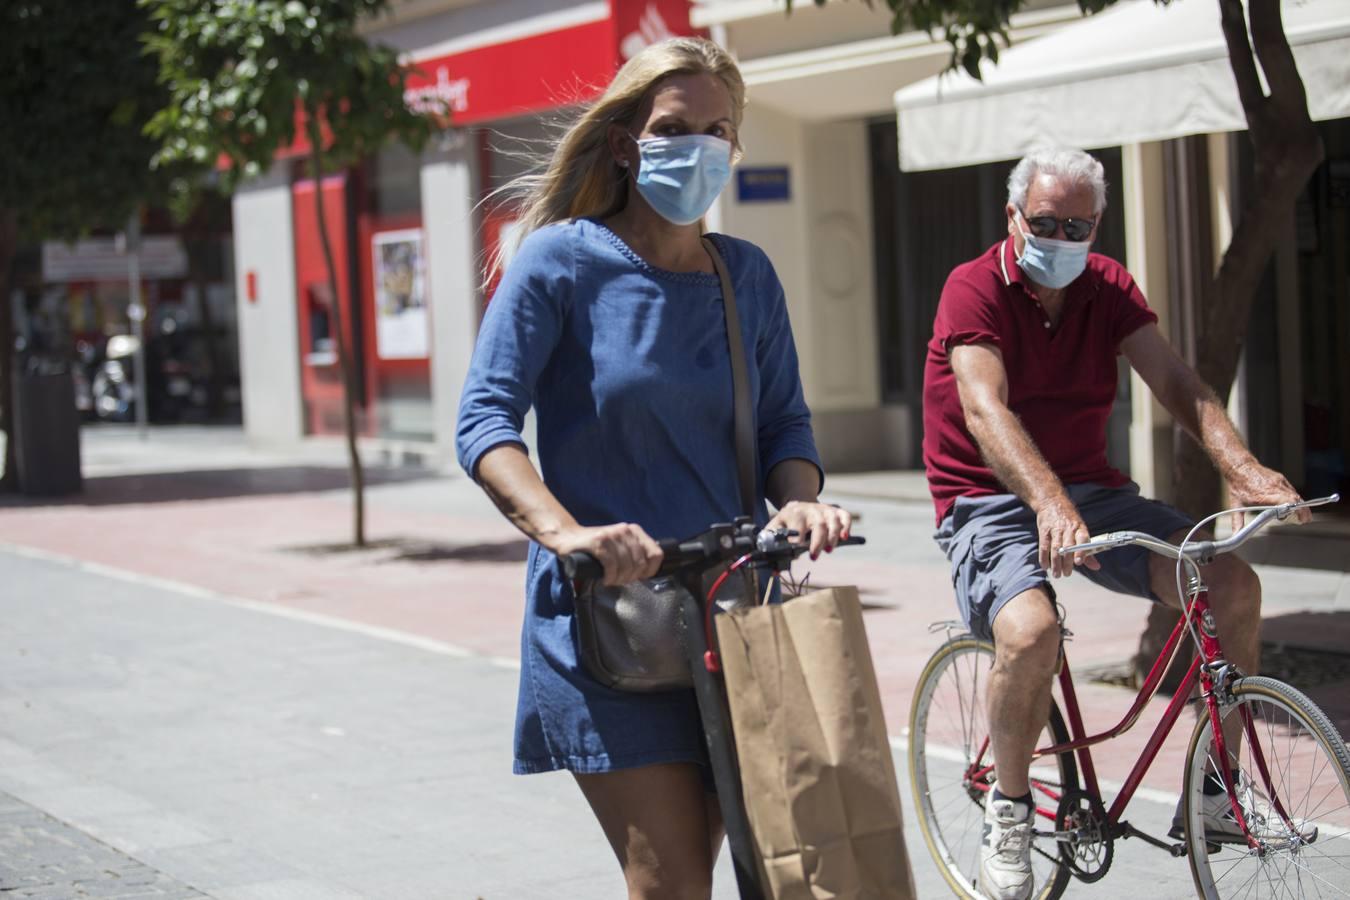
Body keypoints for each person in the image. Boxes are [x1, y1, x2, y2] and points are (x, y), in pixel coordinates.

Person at [455, 37, 850, 900]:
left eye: (719, 129)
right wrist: (570, 535)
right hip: (608, 625)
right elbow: (484, 424)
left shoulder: (746, 275)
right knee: (669, 881)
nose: (699, 146)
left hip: (733, 617)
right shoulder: (559, 262)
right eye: (676, 127)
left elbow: (785, 422)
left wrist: (801, 505)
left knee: (761, 869)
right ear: (629, 142)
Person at [921, 147, 1308, 900]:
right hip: (989, 499)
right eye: (1044, 222)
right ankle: (1009, 808)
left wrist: (1243, 466)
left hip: (1095, 491)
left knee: (1227, 583)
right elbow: (983, 407)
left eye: (1077, 224)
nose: (1060, 237)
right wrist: (1049, 503)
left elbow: (1174, 380)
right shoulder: (973, 288)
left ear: (1097, 223)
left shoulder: (1106, 286)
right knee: (1031, 633)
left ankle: (1215, 794)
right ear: (1013, 217)